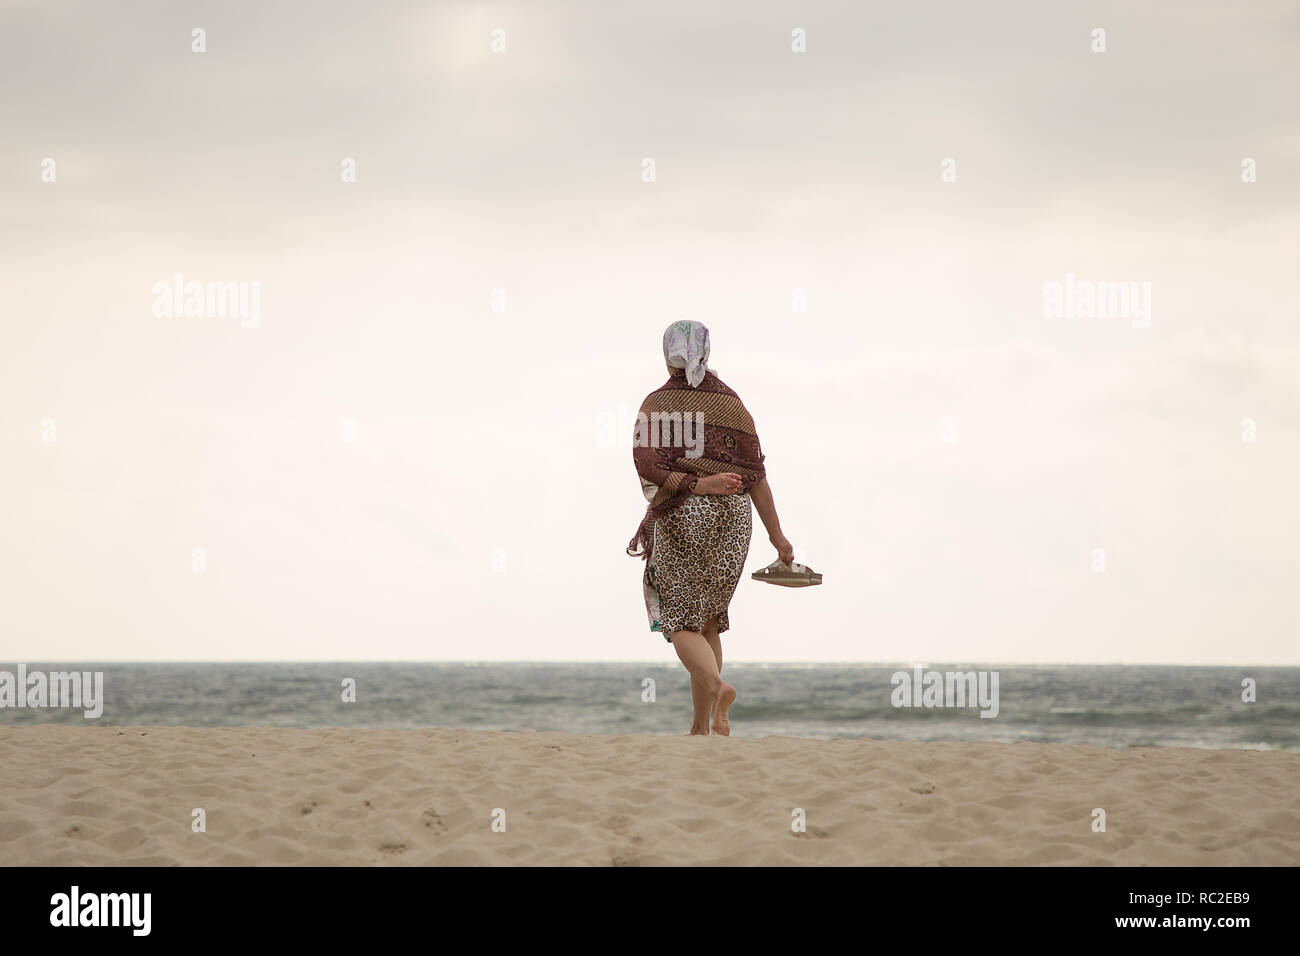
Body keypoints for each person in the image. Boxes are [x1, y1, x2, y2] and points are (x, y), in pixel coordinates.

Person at [628, 320, 794, 735]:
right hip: (735, 519)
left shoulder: (657, 403)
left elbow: (647, 464)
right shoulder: (732, 403)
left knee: (679, 619)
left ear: (668, 355)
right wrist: (778, 537)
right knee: (708, 622)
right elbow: (757, 476)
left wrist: (698, 483)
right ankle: (701, 727)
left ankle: (719, 689)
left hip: (685, 514)